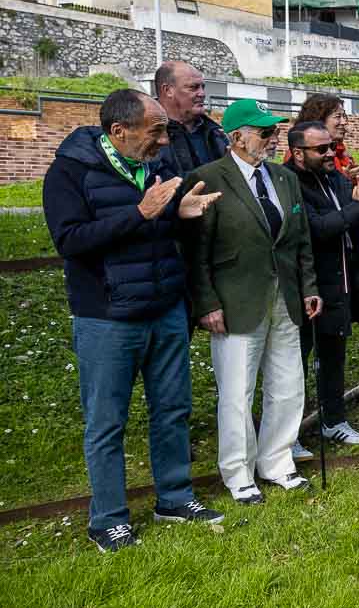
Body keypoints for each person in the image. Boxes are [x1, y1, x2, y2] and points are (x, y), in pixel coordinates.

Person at [43, 89, 224, 551]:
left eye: (165, 130)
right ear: (119, 131)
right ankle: (108, 518)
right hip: (108, 317)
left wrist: (178, 215)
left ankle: (175, 497)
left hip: (164, 309)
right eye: (156, 130)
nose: (165, 141)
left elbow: (158, 226)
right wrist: (140, 212)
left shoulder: (156, 168)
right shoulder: (69, 172)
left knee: (173, 410)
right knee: (107, 422)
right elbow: (71, 240)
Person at [188, 99, 320, 504]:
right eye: (264, 133)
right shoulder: (207, 178)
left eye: (274, 131)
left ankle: (277, 462)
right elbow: (197, 252)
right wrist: (206, 302)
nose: (272, 138)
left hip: (286, 296)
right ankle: (238, 471)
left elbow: (300, 239)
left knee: (287, 383)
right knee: (237, 390)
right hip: (235, 301)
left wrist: (310, 286)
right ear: (236, 138)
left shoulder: (284, 178)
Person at [288, 120, 359, 448]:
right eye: (321, 149)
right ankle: (289, 434)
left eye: (332, 146)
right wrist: (358, 204)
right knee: (295, 363)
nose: (331, 153)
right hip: (308, 284)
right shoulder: (291, 182)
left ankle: (334, 419)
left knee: (333, 353)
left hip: (341, 280)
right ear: (298, 153)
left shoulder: (333, 178)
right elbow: (320, 228)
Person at [153, 60, 228, 174]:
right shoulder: (147, 136)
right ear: (167, 90)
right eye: (193, 87)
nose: (202, 94)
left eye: (203, 87)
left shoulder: (215, 134)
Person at [295, 92, 359, 179]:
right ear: (319, 119)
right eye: (338, 116)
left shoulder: (340, 150)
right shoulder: (304, 152)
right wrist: (344, 178)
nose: (344, 122)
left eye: (344, 116)